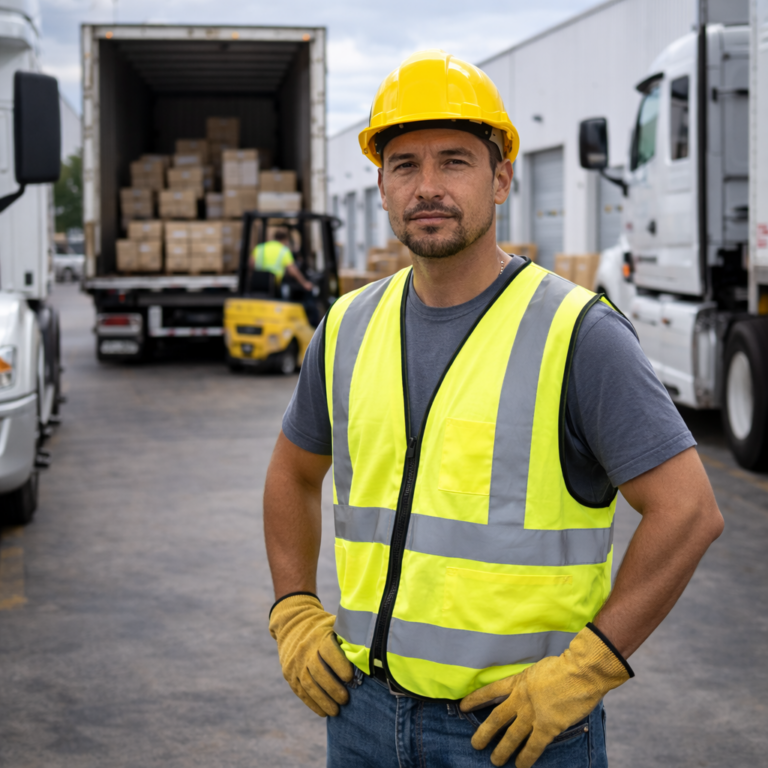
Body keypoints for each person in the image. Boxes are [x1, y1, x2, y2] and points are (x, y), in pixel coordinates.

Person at [264, 50, 724, 768]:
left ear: (501, 177)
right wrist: (293, 608)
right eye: (405, 165)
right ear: (381, 187)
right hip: (359, 716)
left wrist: (588, 670)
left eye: (455, 161)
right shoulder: (347, 327)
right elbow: (292, 475)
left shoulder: (578, 334)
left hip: (511, 733)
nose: (428, 187)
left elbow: (690, 511)